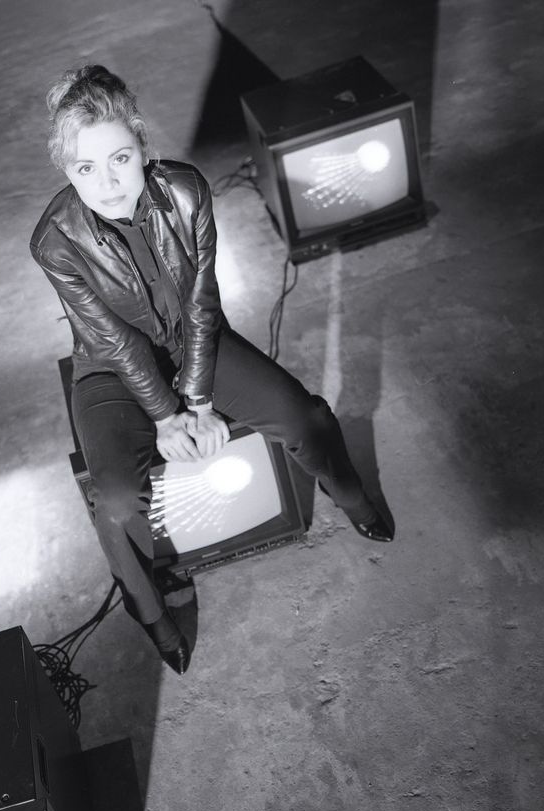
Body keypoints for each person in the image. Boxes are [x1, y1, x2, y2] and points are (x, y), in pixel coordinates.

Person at [30, 65, 393, 676]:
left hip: (195, 341)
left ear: (144, 144)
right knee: (116, 499)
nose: (108, 182)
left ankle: (351, 492)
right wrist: (167, 415)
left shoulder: (187, 190)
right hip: (110, 372)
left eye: (120, 157)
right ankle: (150, 613)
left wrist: (196, 400)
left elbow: (203, 302)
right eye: (85, 169)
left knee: (303, 416)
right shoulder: (54, 241)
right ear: (66, 172)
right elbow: (112, 340)